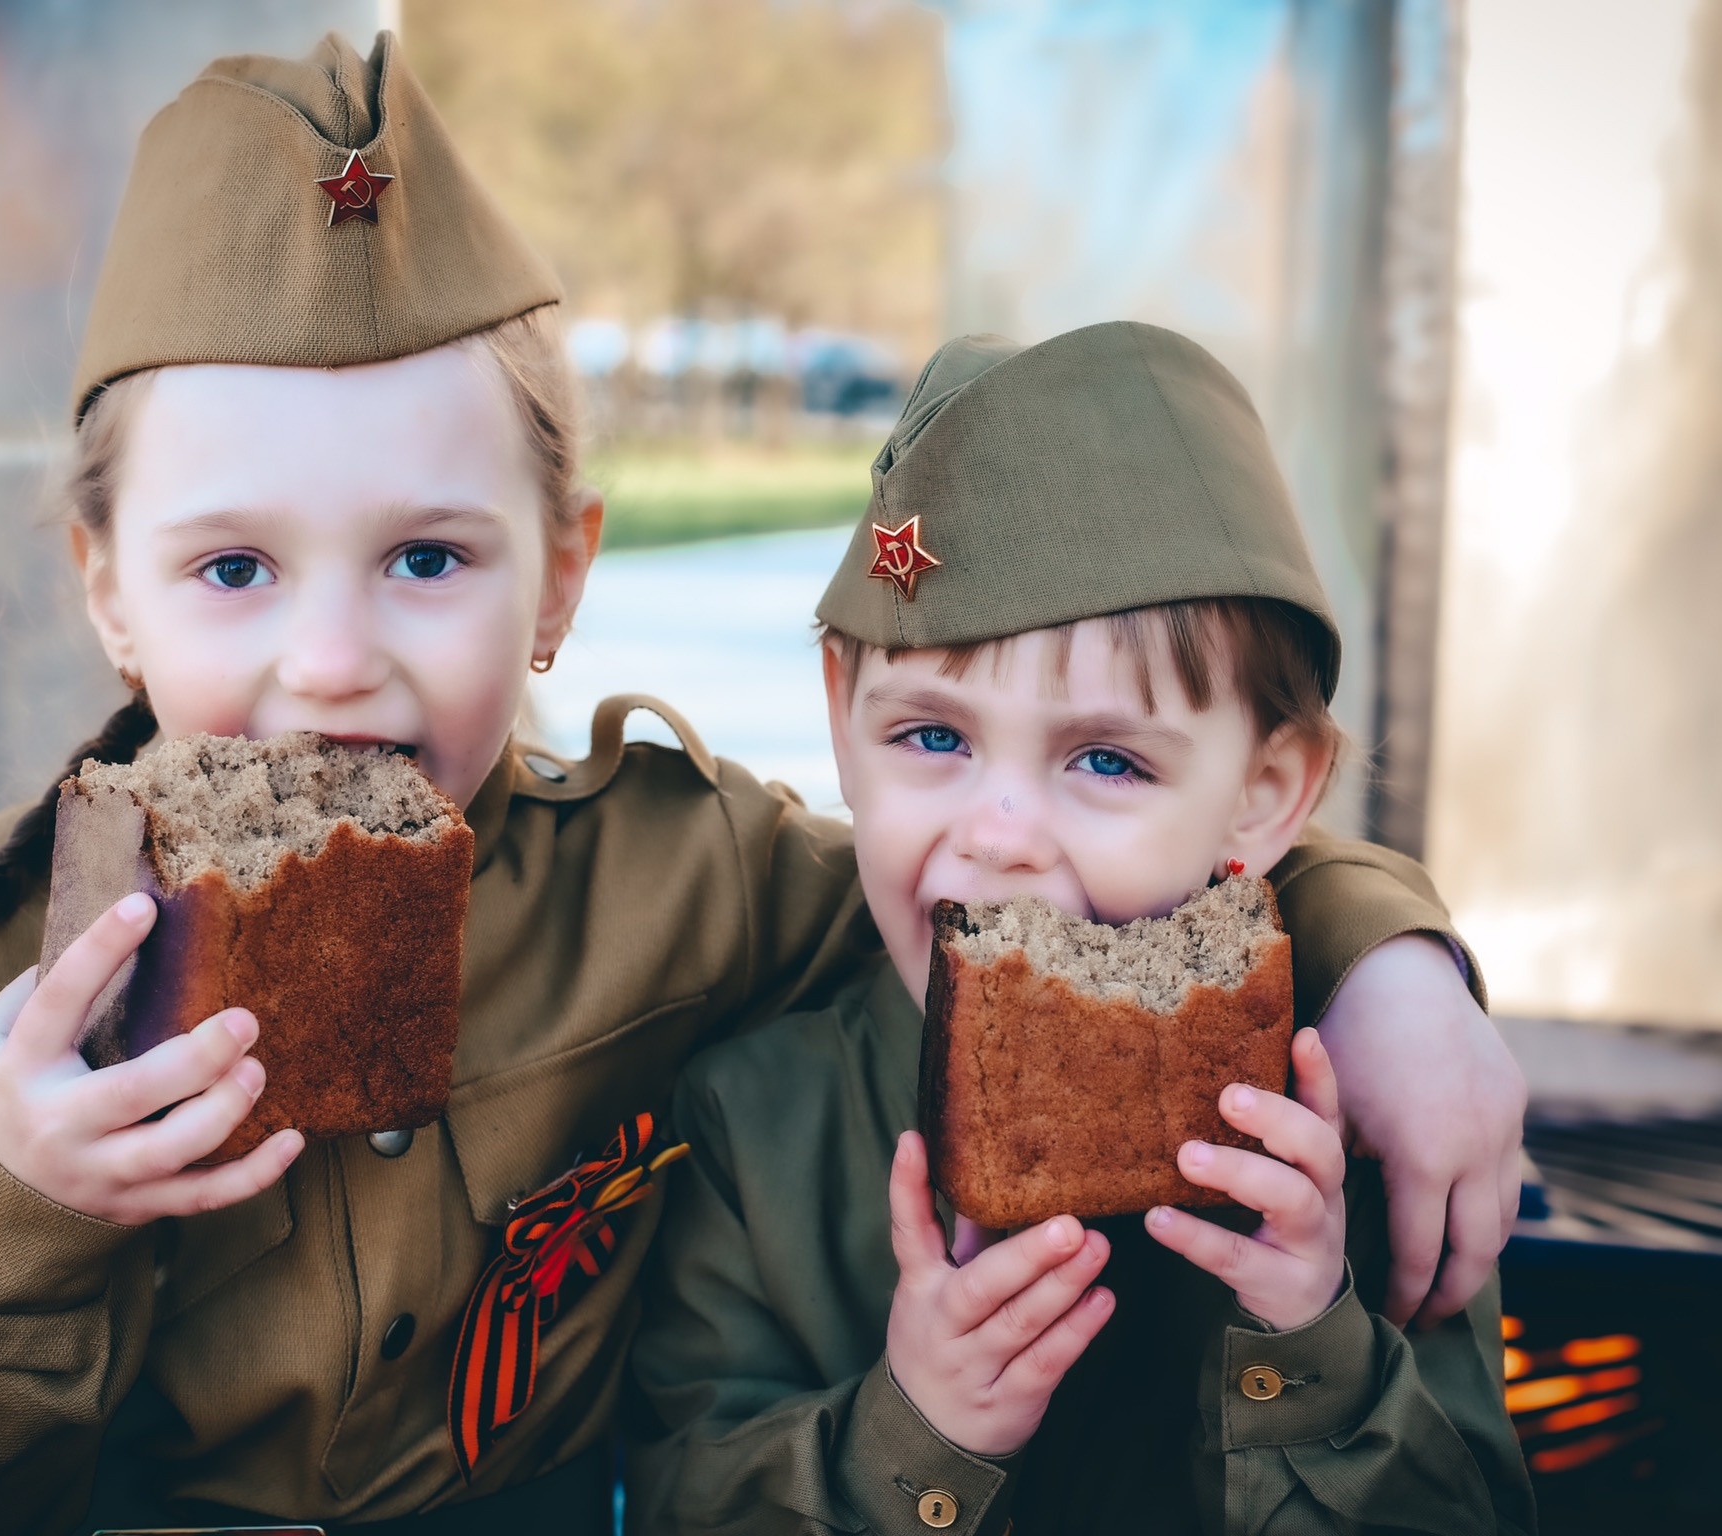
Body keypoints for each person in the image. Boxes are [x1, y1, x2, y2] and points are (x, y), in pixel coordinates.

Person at [0, 34, 1520, 1536]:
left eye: (429, 559)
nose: (332, 658)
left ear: (562, 577)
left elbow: (1024, 874)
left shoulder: (686, 879)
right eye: (232, 569)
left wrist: (1387, 962)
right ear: (107, 586)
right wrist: (19, 1195)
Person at [625, 324, 1536, 1536]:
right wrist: (915, 1431)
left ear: (1263, 796)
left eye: (1105, 760)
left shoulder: (1349, 1122)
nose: (1000, 834)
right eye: (933, 737)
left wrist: (1313, 1351)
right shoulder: (752, 1122)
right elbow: (686, 1497)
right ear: (844, 721)